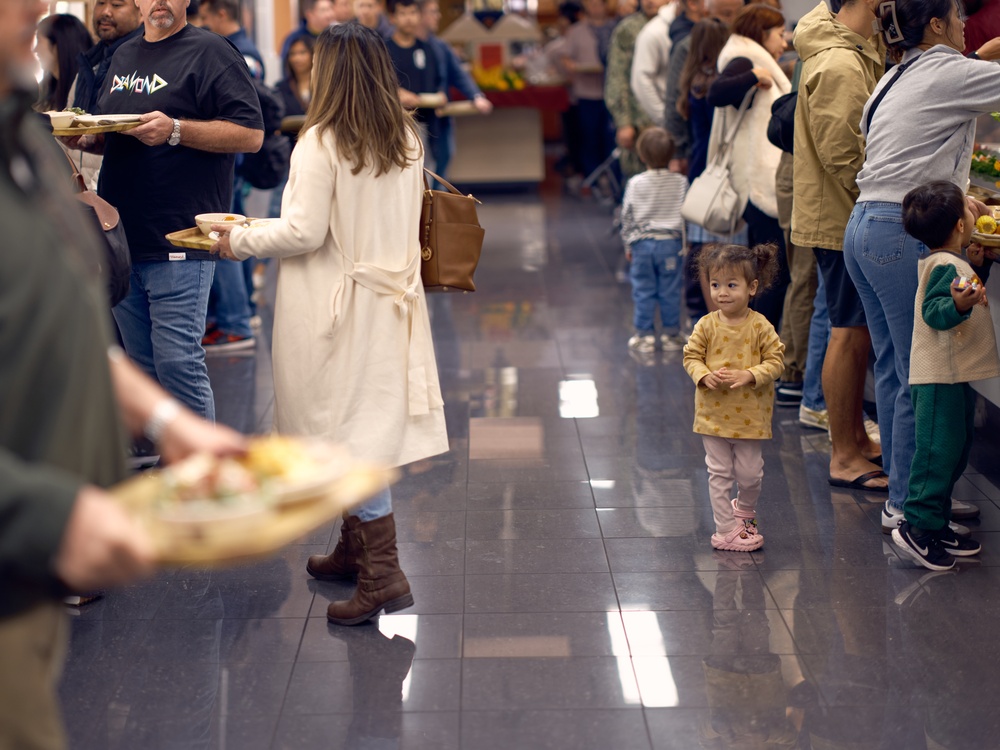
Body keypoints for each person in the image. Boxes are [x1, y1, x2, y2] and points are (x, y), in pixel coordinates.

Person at [0, 2, 247, 745]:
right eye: (23, 13)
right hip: (32, 525)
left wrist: (172, 424)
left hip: (35, 572)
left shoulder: (24, 131)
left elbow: (68, 331)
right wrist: (53, 515)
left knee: (170, 359)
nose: (43, 15)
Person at [211, 23, 449, 625]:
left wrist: (236, 239)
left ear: (331, 71)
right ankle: (353, 547)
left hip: (335, 308)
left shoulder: (320, 140)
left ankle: (383, 573)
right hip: (390, 301)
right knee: (363, 420)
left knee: (348, 437)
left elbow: (301, 232)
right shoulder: (406, 135)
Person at [61, 0, 264, 422]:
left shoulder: (212, 51)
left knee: (178, 362)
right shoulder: (124, 54)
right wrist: (86, 138)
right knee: (142, 366)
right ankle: (166, 465)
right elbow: (111, 129)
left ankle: (201, 475)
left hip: (180, 235)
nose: (159, 2)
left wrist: (176, 130)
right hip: (120, 237)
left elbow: (251, 135)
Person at [844, 0, 995, 535]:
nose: (963, 26)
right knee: (921, 377)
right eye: (956, 17)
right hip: (899, 231)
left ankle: (906, 495)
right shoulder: (948, 70)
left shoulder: (896, 73)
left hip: (865, 225)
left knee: (894, 369)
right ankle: (913, 509)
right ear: (935, 24)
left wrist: (953, 194)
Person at [792, 0, 887, 491]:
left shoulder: (854, 49)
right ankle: (845, 454)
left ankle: (854, 438)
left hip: (842, 212)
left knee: (854, 333)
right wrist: (888, 203)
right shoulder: (839, 62)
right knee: (848, 334)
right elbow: (845, 155)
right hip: (839, 215)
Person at [891, 181, 997, 569]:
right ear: (958, 225)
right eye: (969, 211)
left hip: (952, 374)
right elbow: (934, 312)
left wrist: (976, 265)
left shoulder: (950, 260)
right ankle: (916, 527)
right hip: (938, 379)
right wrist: (956, 303)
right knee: (938, 453)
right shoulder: (944, 267)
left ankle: (935, 523)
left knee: (956, 447)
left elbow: (958, 283)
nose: (975, 213)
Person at [682, 243, 784, 551]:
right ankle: (725, 529)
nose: (722, 293)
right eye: (715, 285)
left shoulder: (760, 326)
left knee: (750, 475)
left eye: (731, 285)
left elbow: (777, 361)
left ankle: (745, 513)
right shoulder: (706, 324)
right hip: (712, 415)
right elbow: (691, 357)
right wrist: (702, 375)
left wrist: (750, 374)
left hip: (750, 416)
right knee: (720, 474)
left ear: (752, 287)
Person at [706, 3, 791, 328]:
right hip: (759, 184)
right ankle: (760, 340)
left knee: (766, 270)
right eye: (779, 35)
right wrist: (755, 75)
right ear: (760, 34)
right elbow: (716, 92)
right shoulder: (744, 58)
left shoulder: (749, 55)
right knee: (772, 274)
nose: (783, 43)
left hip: (759, 181)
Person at [199, 0, 268, 353]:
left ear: (221, 14)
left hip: (231, 162)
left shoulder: (238, 53)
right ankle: (239, 315)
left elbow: (244, 119)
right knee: (232, 234)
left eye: (206, 17)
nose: (203, 23)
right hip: (231, 163)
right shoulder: (236, 50)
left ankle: (236, 321)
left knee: (222, 238)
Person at [676, 17, 732, 323]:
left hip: (698, 169)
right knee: (720, 250)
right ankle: (721, 318)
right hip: (717, 169)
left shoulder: (693, 80)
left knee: (704, 249)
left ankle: (713, 318)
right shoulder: (715, 85)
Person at [621, 127, 688, 352]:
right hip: (670, 245)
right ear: (671, 155)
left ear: (641, 156)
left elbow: (627, 216)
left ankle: (645, 336)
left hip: (642, 246)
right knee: (670, 289)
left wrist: (628, 244)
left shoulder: (635, 183)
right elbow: (685, 214)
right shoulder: (680, 182)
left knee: (643, 289)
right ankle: (672, 335)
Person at [66, 0, 143, 191]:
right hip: (82, 195)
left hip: (119, 195)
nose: (105, 12)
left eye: (117, 5)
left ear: (142, 11)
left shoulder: (145, 65)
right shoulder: (89, 63)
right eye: (100, 3)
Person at [664, 0, 743, 174]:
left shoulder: (742, 46)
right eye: (727, 14)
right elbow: (674, 100)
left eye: (739, 13)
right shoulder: (687, 49)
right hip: (701, 152)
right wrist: (677, 151)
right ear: (707, 14)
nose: (734, 21)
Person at [420, 0, 491, 179]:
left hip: (441, 117)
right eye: (433, 12)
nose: (438, 16)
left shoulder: (440, 47)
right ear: (419, 15)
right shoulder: (402, 46)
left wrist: (476, 96)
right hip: (416, 119)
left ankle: (437, 203)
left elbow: (459, 75)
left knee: (444, 159)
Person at [604, 0, 667, 179]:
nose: (650, 1)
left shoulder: (677, 25)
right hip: (640, 119)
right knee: (638, 183)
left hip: (672, 119)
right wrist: (624, 121)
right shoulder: (629, 29)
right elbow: (617, 76)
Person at [562, 0, 617, 181]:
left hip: (610, 91)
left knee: (609, 137)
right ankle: (591, 176)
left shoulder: (614, 28)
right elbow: (566, 58)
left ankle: (610, 176)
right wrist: (577, 68)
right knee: (589, 136)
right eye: (591, 5)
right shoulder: (576, 31)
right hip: (586, 92)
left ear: (605, 6)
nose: (595, 8)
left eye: (598, 4)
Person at [386, 0, 443, 171]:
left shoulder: (427, 49)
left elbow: (437, 81)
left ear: (419, 16)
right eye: (402, 14)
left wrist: (440, 94)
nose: (408, 19)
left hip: (425, 124)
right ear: (392, 18)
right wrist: (395, 93)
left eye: (412, 13)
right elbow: (376, 84)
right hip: (395, 125)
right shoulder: (383, 49)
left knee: (427, 176)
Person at [630, 0, 679, 125]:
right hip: (647, 118)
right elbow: (640, 78)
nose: (650, 1)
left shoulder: (693, 24)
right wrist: (664, 118)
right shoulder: (652, 32)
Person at [35, 14, 92, 113]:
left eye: (39, 41)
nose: (35, 50)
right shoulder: (44, 90)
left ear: (58, 45)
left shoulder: (86, 88)